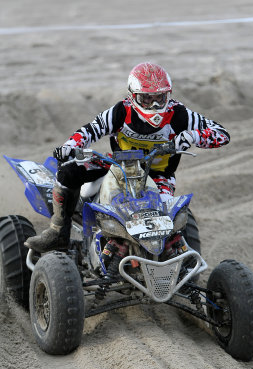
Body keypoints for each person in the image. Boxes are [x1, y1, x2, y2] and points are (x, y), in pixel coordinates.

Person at [25, 62, 230, 253]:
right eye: (147, 99)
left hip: (159, 176)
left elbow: (222, 134)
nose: (155, 106)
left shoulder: (180, 113)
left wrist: (192, 136)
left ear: (169, 94)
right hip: (117, 167)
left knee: (171, 220)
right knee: (68, 171)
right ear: (133, 96)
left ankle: (180, 259)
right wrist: (70, 146)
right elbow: (91, 130)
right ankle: (57, 232)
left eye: (160, 98)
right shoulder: (121, 111)